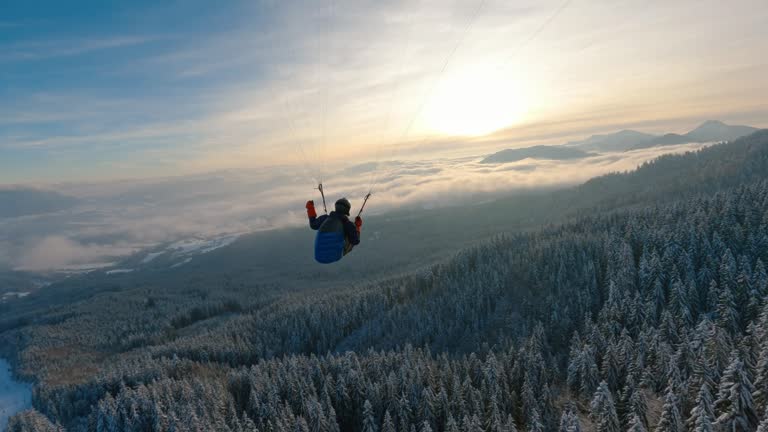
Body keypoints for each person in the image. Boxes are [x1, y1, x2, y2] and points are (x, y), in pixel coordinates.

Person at [306, 198, 363, 264]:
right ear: (347, 210)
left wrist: (310, 207)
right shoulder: (348, 224)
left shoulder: (325, 218)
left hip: (318, 256)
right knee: (351, 237)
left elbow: (313, 225)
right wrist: (357, 226)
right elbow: (355, 241)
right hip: (335, 256)